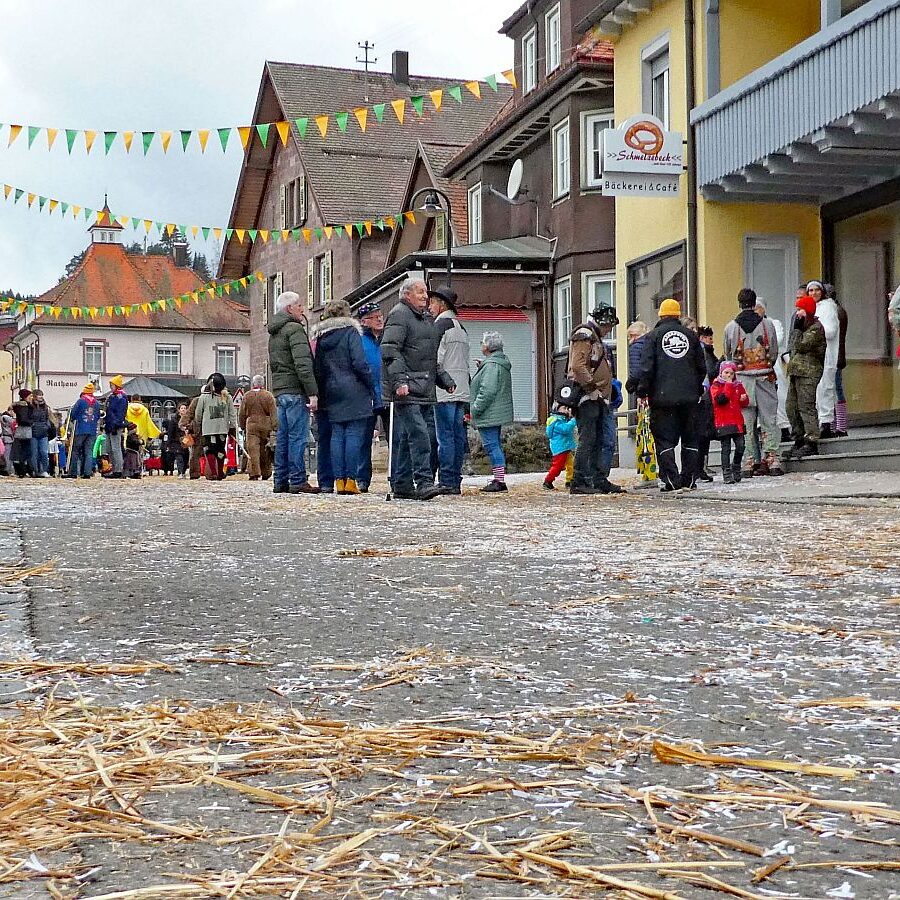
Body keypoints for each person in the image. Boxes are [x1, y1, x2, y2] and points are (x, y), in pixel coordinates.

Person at [380, 276, 456, 501]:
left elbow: (428, 356)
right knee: (420, 435)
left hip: (423, 386)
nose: (426, 296)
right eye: (421, 292)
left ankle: (402, 484)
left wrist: (444, 379)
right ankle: (423, 482)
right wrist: (399, 382)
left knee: (408, 436)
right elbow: (390, 351)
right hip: (408, 388)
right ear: (407, 295)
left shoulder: (423, 319)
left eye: (426, 292)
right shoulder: (400, 315)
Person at [635, 298, 707, 493]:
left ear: (660, 315)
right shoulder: (691, 336)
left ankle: (672, 480)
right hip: (690, 397)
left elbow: (647, 367)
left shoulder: (653, 336)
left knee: (664, 439)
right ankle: (690, 479)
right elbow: (702, 367)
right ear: (678, 315)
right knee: (690, 438)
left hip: (662, 398)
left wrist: (642, 390)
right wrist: (696, 386)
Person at [312, 299, 375, 495]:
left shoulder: (321, 338)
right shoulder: (351, 332)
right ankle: (350, 480)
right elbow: (359, 362)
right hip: (354, 389)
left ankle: (338, 480)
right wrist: (370, 383)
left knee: (337, 435)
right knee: (354, 434)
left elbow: (318, 369)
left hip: (331, 390)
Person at [723, 288, 783, 477]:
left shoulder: (731, 327)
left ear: (739, 303)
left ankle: (749, 462)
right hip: (764, 377)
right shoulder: (767, 325)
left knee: (747, 422)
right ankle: (772, 459)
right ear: (754, 302)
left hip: (742, 380)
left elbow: (728, 354)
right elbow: (773, 351)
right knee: (769, 420)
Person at [268, 291, 321, 495]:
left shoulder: (275, 332)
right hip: (295, 390)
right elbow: (303, 364)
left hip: (280, 390)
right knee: (297, 437)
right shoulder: (295, 330)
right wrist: (312, 392)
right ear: (289, 308)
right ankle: (298, 479)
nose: (302, 309)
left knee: (283, 437)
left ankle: (280, 479)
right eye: (299, 305)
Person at [567, 303, 619, 495]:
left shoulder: (591, 336)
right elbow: (578, 366)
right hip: (587, 397)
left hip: (596, 397)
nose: (609, 331)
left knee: (596, 438)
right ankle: (579, 480)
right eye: (609, 326)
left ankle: (594, 479)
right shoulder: (585, 335)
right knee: (588, 438)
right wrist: (592, 388)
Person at [427, 287, 471, 496]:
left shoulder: (439, 326)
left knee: (444, 437)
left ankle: (446, 480)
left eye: (432, 303)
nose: (429, 307)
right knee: (456, 436)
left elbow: (434, 359)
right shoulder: (461, 327)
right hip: (461, 387)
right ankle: (455, 480)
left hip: (444, 388)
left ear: (441, 304)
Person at [469, 331, 514, 493]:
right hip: (497, 412)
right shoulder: (497, 363)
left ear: (487, 346)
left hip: (489, 413)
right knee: (495, 444)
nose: (481, 345)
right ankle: (498, 478)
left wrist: (474, 409)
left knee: (491, 445)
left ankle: (499, 480)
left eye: (482, 343)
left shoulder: (492, 366)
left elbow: (487, 391)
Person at [785, 294, 827, 459]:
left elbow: (801, 346)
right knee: (791, 407)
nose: (797, 313)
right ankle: (798, 438)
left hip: (809, 372)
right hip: (796, 371)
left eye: (800, 309)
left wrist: (796, 330)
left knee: (806, 406)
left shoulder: (815, 328)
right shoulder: (802, 327)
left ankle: (811, 440)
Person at [356, 302, 389, 493]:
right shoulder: (360, 340)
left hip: (386, 394)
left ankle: (397, 476)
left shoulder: (387, 339)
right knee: (363, 438)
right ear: (364, 321)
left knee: (395, 436)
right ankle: (362, 478)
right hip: (366, 395)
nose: (379, 319)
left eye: (380, 316)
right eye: (374, 316)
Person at [807, 280, 840, 440]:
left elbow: (831, 331)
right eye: (810, 290)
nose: (813, 293)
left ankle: (826, 423)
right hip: (813, 355)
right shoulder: (810, 309)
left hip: (826, 355)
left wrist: (814, 329)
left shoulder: (827, 308)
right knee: (816, 390)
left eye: (816, 290)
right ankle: (820, 421)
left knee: (825, 388)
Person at [755, 300, 791, 443]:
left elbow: (777, 339)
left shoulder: (773, 323)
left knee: (779, 396)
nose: (756, 310)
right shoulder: (750, 325)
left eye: (759, 308)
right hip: (757, 366)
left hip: (773, 365)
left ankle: (784, 428)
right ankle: (761, 430)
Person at [710, 361, 750, 484]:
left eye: (731, 373)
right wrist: (728, 385)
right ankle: (726, 472)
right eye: (726, 372)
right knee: (725, 448)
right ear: (721, 373)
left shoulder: (738, 385)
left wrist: (744, 399)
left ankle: (736, 466)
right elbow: (721, 400)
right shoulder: (716, 385)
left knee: (741, 446)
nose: (729, 375)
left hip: (737, 420)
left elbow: (745, 402)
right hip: (723, 421)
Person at [193, 373, 237, 481]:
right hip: (222, 429)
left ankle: (213, 472)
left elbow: (198, 413)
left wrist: (197, 425)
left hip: (207, 429)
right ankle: (220, 471)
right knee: (220, 450)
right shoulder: (227, 397)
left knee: (209, 450)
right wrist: (232, 427)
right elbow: (232, 414)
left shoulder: (203, 397)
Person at [239, 375, 277, 481]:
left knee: (253, 449)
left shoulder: (247, 396)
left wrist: (242, 425)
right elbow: (273, 413)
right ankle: (266, 472)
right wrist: (275, 426)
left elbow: (242, 413)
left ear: (253, 384)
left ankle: (254, 472)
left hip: (251, 424)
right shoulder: (269, 396)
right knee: (265, 449)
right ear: (263, 384)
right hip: (266, 423)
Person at [695, 326, 719, 482]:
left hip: (705, 396)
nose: (711, 340)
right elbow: (709, 372)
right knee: (703, 434)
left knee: (704, 433)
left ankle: (701, 466)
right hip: (704, 396)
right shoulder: (704, 352)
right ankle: (700, 467)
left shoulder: (706, 351)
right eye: (709, 338)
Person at [830, 285, 850, 437]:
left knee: (836, 390)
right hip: (837, 355)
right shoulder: (838, 310)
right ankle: (837, 424)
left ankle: (840, 425)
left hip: (835, 356)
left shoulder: (836, 312)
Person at [68, 383, 100, 478]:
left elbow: (73, 414)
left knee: (75, 451)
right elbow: (98, 416)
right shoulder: (97, 403)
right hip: (92, 430)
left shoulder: (80, 401)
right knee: (89, 452)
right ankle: (87, 473)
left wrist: (73, 420)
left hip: (80, 429)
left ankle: (73, 472)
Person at [543, 404, 578, 490]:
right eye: (564, 408)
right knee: (557, 466)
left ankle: (569, 480)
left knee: (571, 464)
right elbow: (565, 429)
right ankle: (548, 481)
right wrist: (573, 420)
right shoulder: (556, 422)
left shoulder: (561, 420)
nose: (567, 410)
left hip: (565, 447)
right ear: (557, 410)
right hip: (560, 448)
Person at [104, 375, 129, 479]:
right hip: (109, 425)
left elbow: (120, 413)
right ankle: (114, 468)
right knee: (109, 449)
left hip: (116, 426)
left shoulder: (121, 397)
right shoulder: (111, 396)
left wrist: (116, 424)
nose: (110, 386)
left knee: (116, 448)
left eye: (112, 384)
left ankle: (118, 470)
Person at [29, 390, 57, 478]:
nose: (40, 397)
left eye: (41, 395)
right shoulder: (30, 407)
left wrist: (48, 427)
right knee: (34, 454)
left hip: (44, 433)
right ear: (34, 396)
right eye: (38, 395)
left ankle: (44, 470)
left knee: (44, 453)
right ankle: (35, 470)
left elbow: (52, 419)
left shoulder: (46, 407)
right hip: (33, 433)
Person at [11, 390, 34, 477]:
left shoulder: (21, 406)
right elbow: (24, 419)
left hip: (22, 431)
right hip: (25, 431)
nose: (31, 398)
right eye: (29, 396)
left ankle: (22, 470)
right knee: (25, 451)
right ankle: (24, 470)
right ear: (25, 397)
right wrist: (32, 422)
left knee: (22, 451)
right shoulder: (24, 407)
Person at [160, 409, 182, 476]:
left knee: (166, 459)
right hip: (170, 444)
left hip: (167, 445)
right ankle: (170, 471)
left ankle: (166, 471)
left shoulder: (165, 433)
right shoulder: (168, 429)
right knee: (170, 459)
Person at [1, 406, 15, 476]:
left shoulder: (3, 417)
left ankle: (8, 469)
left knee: (8, 455)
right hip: (8, 438)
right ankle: (7, 469)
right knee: (8, 455)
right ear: (11, 410)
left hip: (8, 438)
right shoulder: (6, 417)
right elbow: (13, 422)